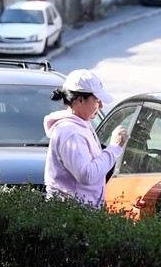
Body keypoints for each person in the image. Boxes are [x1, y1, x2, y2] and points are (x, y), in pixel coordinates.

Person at [43, 69, 127, 207]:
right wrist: (114, 147)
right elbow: (86, 175)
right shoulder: (71, 132)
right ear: (80, 100)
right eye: (97, 100)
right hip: (71, 212)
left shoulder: (80, 126)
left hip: (78, 211)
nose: (101, 106)